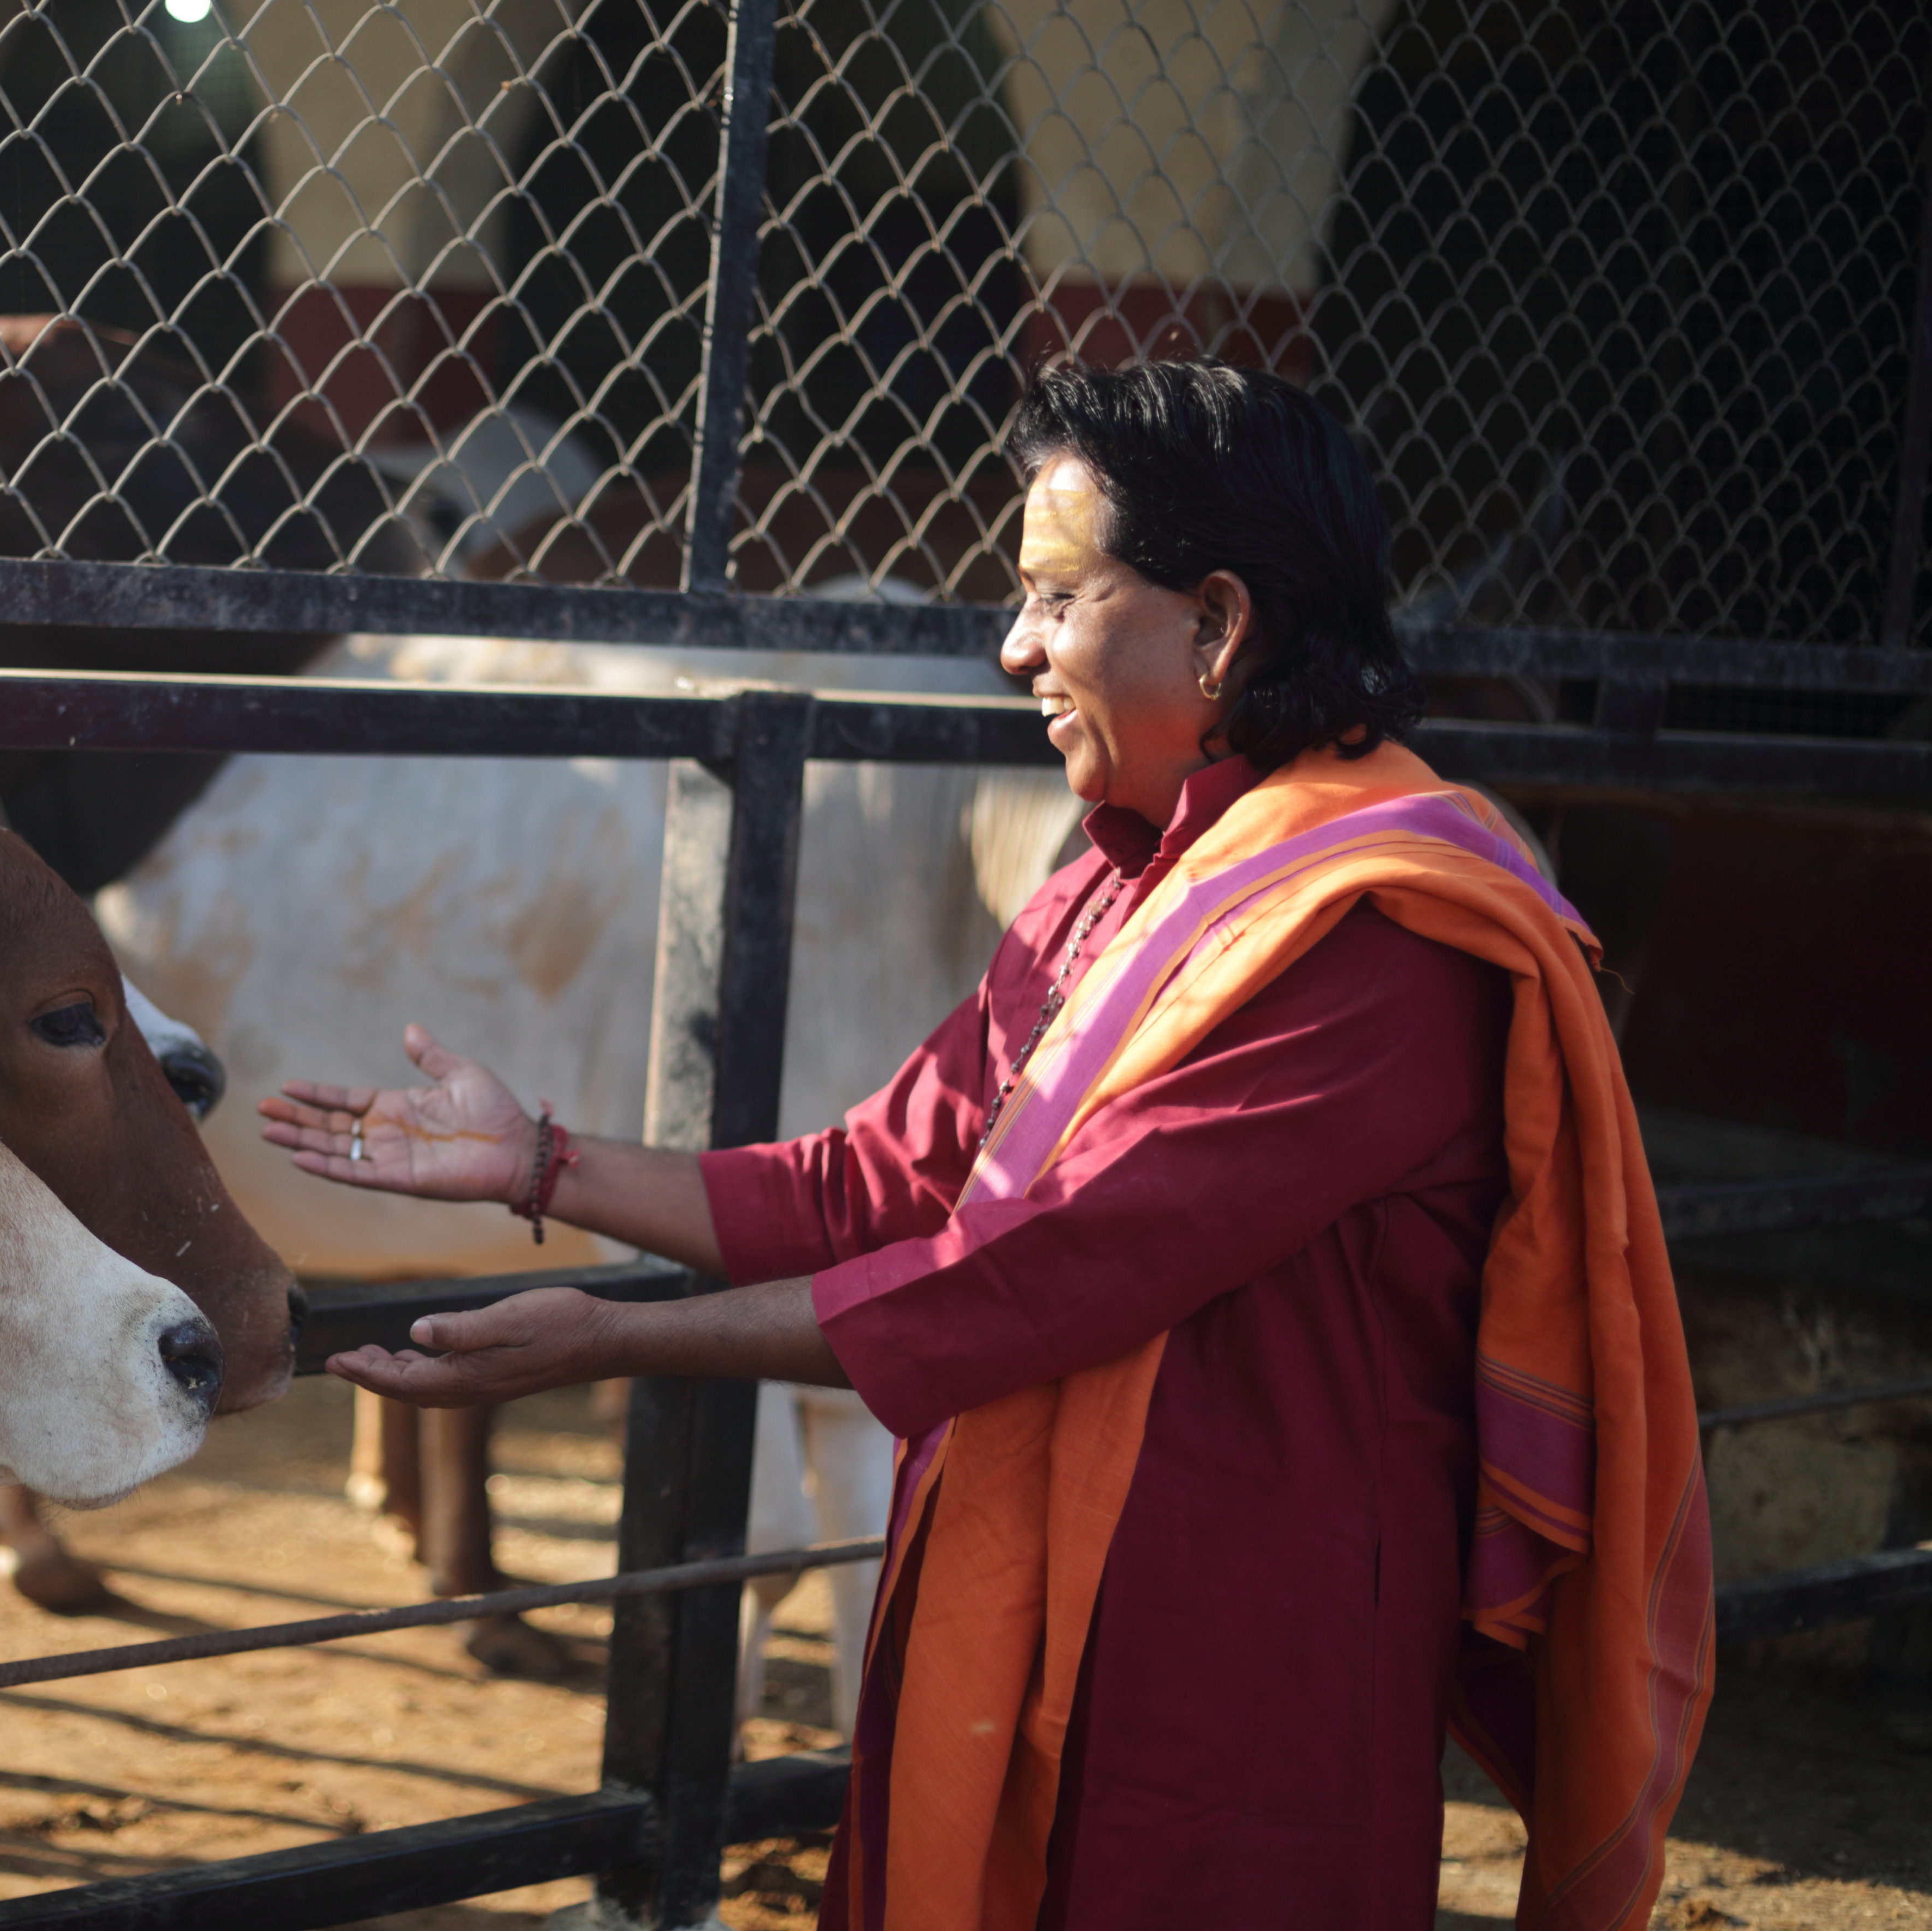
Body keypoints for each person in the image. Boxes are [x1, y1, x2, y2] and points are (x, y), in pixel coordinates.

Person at [259, 361, 1711, 1930]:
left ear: (1218, 626)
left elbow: (1025, 1281)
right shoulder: (1115, 882)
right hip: (1024, 1617)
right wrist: (540, 1163)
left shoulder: (1371, 938)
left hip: (1245, 1675)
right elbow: (877, 1180)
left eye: (1057, 599)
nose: (1013, 647)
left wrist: (610, 1341)